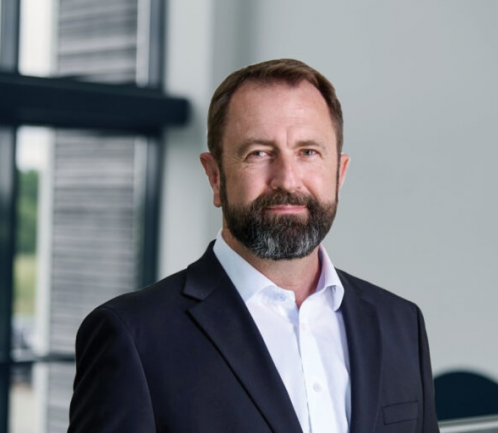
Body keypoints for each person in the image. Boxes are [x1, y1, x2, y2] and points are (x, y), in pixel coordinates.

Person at [68, 59, 439, 433]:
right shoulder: (134, 335)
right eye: (259, 153)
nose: (287, 180)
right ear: (215, 177)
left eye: (308, 152)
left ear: (339, 173)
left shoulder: (401, 324)